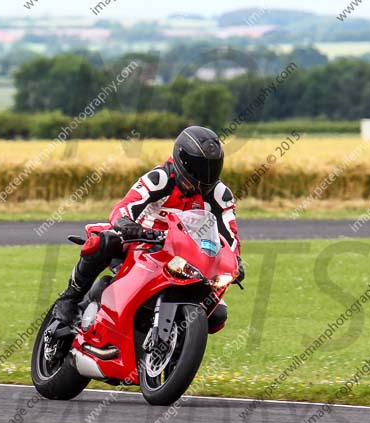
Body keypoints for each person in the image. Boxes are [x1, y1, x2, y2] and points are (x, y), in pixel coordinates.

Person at [53, 125, 245, 332]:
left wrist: (235, 260)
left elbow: (229, 234)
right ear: (182, 160)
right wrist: (127, 224)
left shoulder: (220, 194)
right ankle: (70, 297)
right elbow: (126, 205)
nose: (205, 174)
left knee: (216, 314)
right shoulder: (160, 178)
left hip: (185, 255)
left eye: (212, 166)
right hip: (142, 243)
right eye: (199, 166)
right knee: (104, 241)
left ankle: (174, 349)